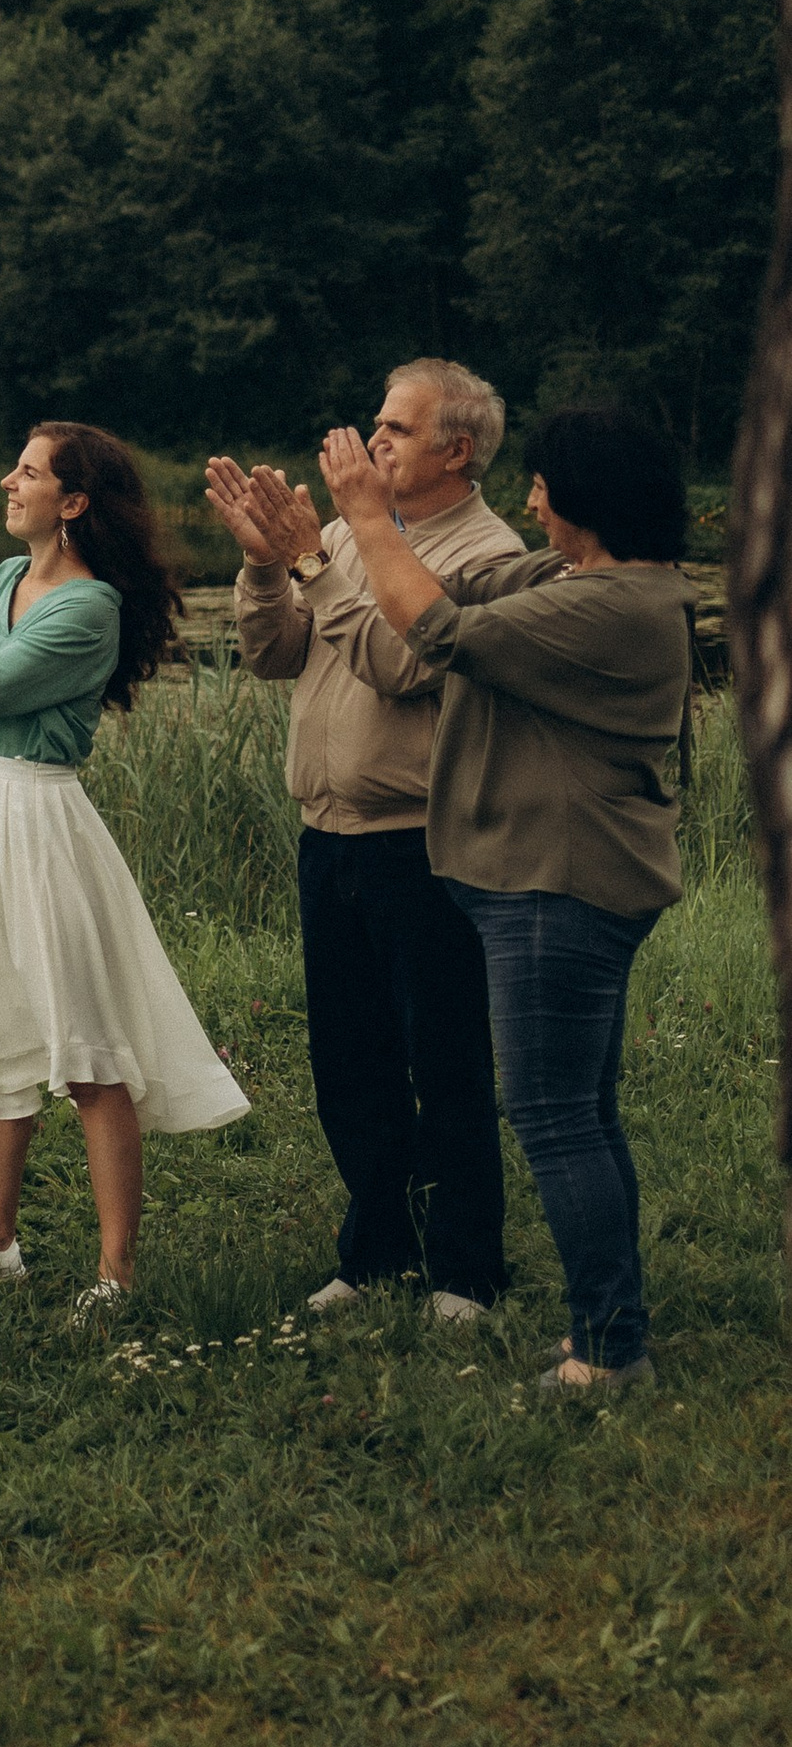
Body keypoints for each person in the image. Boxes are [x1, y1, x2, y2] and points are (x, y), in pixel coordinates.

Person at [317, 404, 696, 1396]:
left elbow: (437, 629)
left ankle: (608, 1354)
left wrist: (364, 519)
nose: (528, 498)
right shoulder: (586, 579)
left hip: (556, 886)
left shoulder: (615, 606)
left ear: (587, 500)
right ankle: (611, 1327)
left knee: (555, 1118)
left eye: (541, 484)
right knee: (584, 1113)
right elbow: (469, 581)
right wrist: (345, 543)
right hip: (551, 880)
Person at [0, 425, 247, 1310]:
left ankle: (116, 1272)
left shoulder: (89, 608)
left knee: (86, 1038)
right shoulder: (5, 578)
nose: (7, 481)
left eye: (27, 473)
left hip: (40, 812)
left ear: (74, 501)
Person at [206, 363, 525, 1323]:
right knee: (351, 1061)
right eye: (374, 423)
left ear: (455, 449)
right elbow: (272, 655)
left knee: (445, 1058)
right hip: (329, 835)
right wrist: (269, 562)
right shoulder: (344, 533)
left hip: (424, 843)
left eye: (396, 428)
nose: (373, 440)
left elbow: (397, 661)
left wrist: (315, 561)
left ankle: (467, 1270)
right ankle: (378, 1249)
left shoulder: (487, 555)